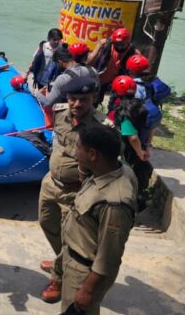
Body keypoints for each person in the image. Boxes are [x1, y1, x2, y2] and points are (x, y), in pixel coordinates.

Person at [38, 76, 107, 304]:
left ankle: (59, 278)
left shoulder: (100, 127)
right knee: (47, 224)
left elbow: (107, 163)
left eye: (83, 100)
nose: (77, 104)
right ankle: (64, 262)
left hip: (75, 191)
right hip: (51, 183)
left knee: (71, 238)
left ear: (93, 98)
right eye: (73, 99)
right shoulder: (60, 114)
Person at [61, 123, 137, 315]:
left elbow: (109, 255)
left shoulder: (114, 203)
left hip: (84, 273)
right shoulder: (112, 170)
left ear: (93, 154)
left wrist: (88, 290)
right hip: (73, 255)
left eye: (79, 147)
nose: (75, 151)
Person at [110, 75, 152, 211]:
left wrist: (139, 153)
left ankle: (130, 206)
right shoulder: (142, 105)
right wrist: (146, 147)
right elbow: (150, 128)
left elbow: (132, 137)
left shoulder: (124, 110)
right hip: (141, 147)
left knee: (125, 179)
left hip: (129, 151)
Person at [35, 43, 99, 108]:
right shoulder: (93, 71)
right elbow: (96, 95)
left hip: (73, 112)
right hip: (90, 111)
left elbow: (48, 103)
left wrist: (37, 93)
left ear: (60, 62)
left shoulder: (63, 78)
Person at [88, 27, 140, 106]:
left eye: (122, 44)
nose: (119, 47)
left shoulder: (134, 52)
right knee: (94, 102)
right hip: (99, 78)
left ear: (128, 42)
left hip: (118, 82)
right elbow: (91, 59)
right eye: (116, 44)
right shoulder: (104, 45)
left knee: (115, 105)